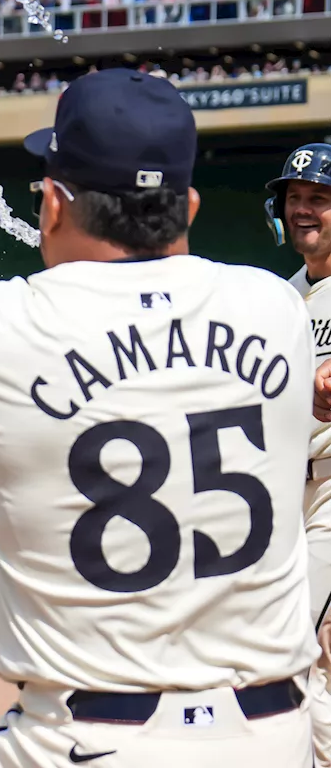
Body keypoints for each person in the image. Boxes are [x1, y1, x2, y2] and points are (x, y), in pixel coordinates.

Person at [0, 67, 320, 768]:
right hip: (274, 735)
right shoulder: (276, 309)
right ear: (187, 204)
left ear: (54, 205)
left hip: (92, 737)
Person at [264, 142, 332, 766]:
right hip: (291, 492)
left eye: (319, 198)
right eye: (295, 198)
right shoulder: (282, 298)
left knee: (294, 646)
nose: (304, 209)